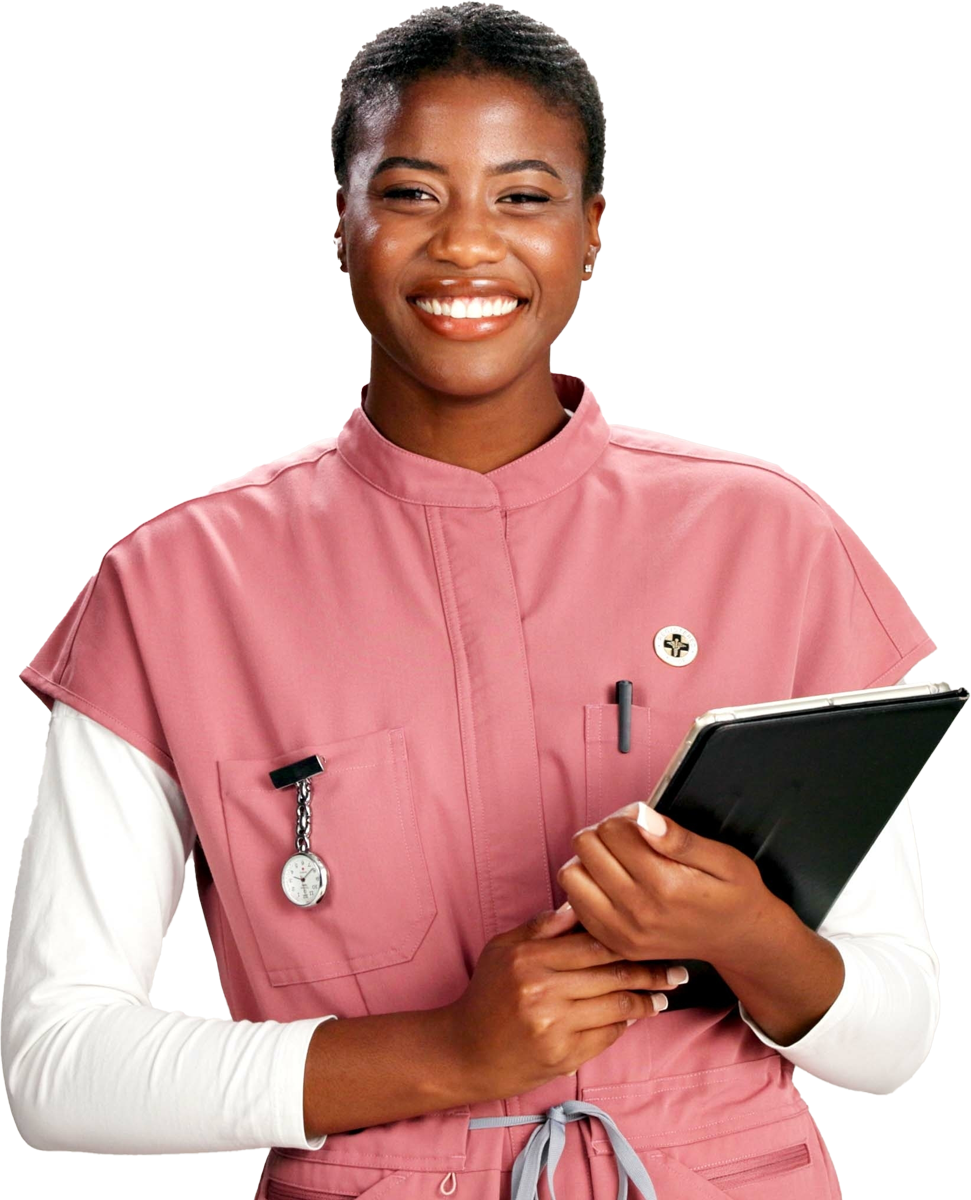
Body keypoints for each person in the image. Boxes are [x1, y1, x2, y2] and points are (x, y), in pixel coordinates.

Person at [2, 3, 940, 1198]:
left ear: (591, 231)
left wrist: (746, 934)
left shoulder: (770, 541)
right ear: (339, 225)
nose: (464, 247)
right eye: (407, 194)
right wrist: (444, 1053)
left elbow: (895, 1027)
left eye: (522, 195)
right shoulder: (175, 586)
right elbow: (58, 1063)